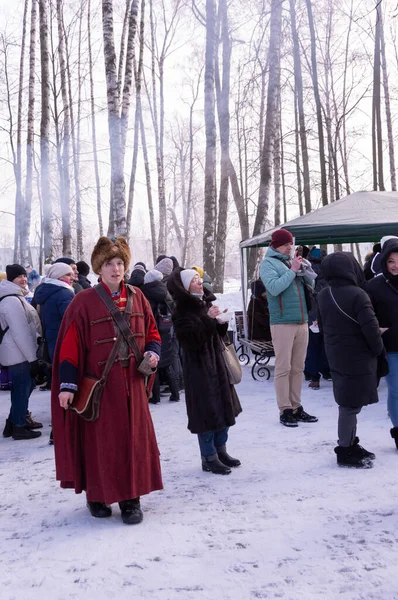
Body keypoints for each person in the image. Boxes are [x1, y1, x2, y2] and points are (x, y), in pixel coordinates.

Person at [51, 236, 162, 524]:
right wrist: (67, 386)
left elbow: (152, 332)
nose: (116, 269)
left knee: (132, 441)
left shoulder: (138, 296)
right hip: (100, 388)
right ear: (100, 268)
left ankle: (130, 499)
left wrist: (152, 353)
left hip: (133, 386)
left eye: (120, 263)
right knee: (102, 443)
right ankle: (97, 495)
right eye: (110, 264)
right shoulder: (83, 301)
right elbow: (69, 347)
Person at [168, 268, 242, 475]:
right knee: (206, 413)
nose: (200, 283)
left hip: (217, 364)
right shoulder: (181, 310)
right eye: (194, 280)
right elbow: (191, 340)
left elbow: (212, 334)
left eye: (199, 279)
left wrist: (220, 323)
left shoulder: (204, 303)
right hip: (199, 368)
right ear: (185, 286)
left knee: (224, 409)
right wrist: (209, 320)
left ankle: (221, 451)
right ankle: (208, 457)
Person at [317, 252, 384, 468]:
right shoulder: (358, 294)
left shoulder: (324, 294)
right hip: (358, 356)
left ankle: (350, 442)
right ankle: (345, 450)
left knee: (348, 401)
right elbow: (371, 329)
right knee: (350, 406)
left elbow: (322, 324)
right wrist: (378, 351)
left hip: (336, 355)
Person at [260, 228, 318, 427]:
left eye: (291, 244)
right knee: (284, 368)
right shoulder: (268, 264)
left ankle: (296, 407)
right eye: (286, 244)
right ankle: (284, 409)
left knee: (298, 368)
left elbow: (311, 285)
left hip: (301, 320)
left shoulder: (289, 261)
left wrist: (304, 270)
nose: (289, 247)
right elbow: (274, 288)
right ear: (275, 245)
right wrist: (292, 271)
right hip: (282, 322)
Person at [0, 264, 43, 440]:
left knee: (25, 386)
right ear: (10, 279)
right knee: (22, 387)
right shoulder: (11, 300)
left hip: (17, 352)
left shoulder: (15, 297)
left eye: (24, 276)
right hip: (18, 353)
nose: (23, 279)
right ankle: (18, 426)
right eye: (19, 277)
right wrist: (32, 359)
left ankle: (12, 422)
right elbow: (20, 332)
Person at [367, 238, 398, 450]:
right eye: (391, 261)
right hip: (391, 348)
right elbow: (369, 317)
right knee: (396, 390)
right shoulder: (373, 286)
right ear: (384, 262)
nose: (396, 265)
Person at [141, 269, 180, 403]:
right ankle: (175, 394)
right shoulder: (165, 291)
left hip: (153, 331)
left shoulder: (145, 293)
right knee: (167, 363)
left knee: (154, 364)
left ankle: (155, 397)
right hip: (167, 331)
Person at [34, 262, 75, 363]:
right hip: (64, 341)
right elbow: (73, 319)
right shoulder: (64, 293)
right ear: (58, 276)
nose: (72, 278)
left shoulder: (46, 291)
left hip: (51, 339)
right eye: (68, 275)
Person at [304, 247, 331, 389]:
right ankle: (327, 371)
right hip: (327, 316)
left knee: (312, 347)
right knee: (326, 346)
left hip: (310, 316)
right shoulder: (330, 273)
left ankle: (313, 376)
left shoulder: (305, 273)